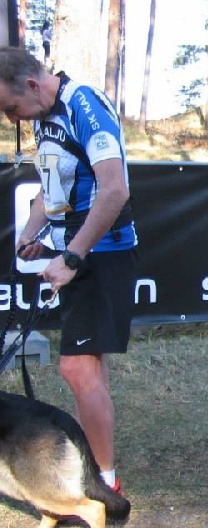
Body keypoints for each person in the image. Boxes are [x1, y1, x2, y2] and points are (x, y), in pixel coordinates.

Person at [0, 46, 138, 491]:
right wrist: (31, 234)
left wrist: (73, 257)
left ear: (32, 86)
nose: (11, 119)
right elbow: (49, 188)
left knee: (76, 369)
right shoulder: (43, 116)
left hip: (103, 255)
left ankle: (103, 484)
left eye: (10, 108)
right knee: (87, 371)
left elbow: (114, 190)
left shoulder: (85, 105)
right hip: (75, 255)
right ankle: (93, 473)